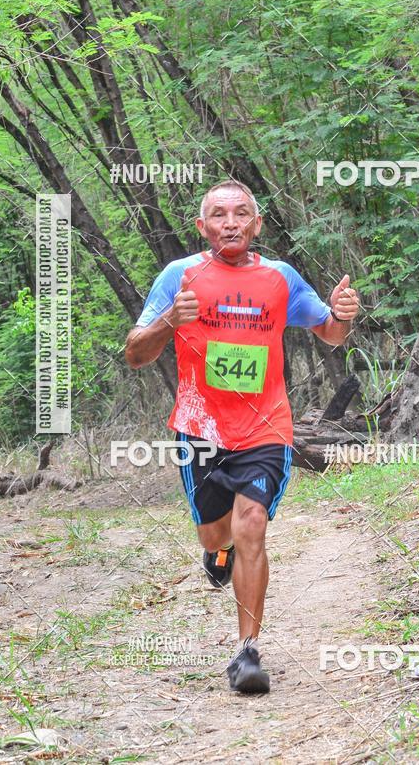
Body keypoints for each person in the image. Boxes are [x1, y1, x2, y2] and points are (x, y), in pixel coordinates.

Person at [125, 180, 359, 693]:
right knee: (218, 534)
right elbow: (136, 353)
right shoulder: (179, 276)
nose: (230, 222)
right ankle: (218, 552)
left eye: (241, 214)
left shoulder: (280, 278)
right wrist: (169, 319)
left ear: (256, 224)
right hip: (200, 428)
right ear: (202, 226)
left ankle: (246, 652)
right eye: (218, 214)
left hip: (264, 425)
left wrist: (342, 315)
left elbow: (330, 333)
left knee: (251, 523)